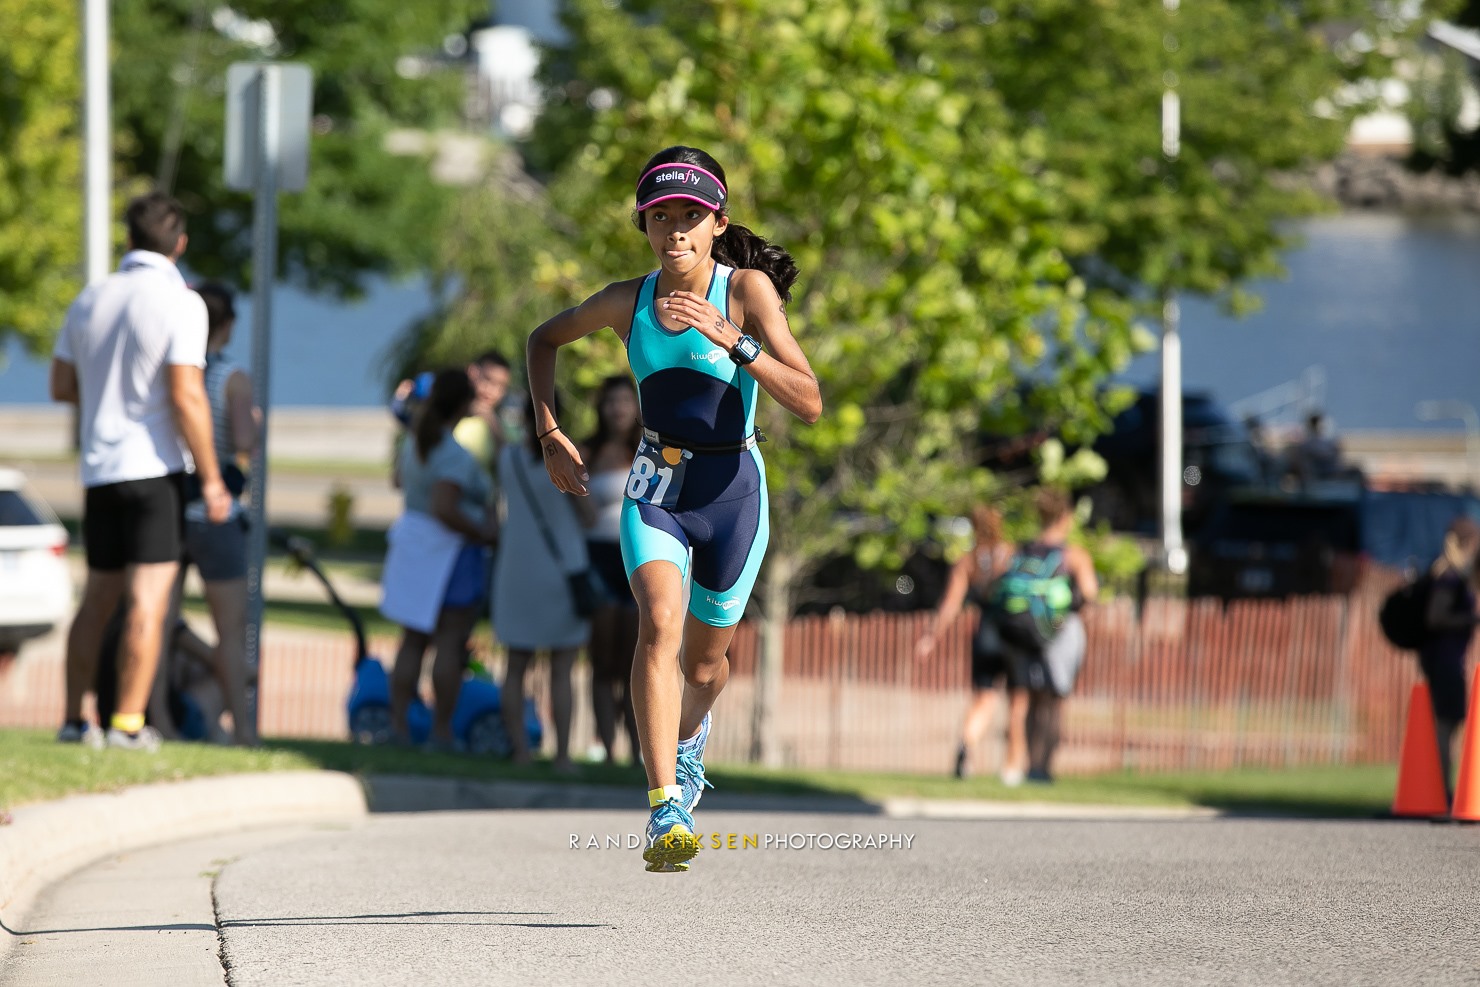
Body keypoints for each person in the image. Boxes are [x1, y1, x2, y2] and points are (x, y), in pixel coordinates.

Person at [528, 145, 822, 872]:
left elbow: (811, 402)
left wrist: (737, 341)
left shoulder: (746, 289)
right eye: (662, 217)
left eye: (691, 215)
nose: (676, 230)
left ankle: (690, 741)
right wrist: (550, 430)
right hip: (657, 482)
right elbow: (543, 339)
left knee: (705, 662)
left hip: (733, 491)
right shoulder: (626, 301)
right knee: (657, 622)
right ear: (645, 225)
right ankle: (665, 804)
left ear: (717, 222)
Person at [49, 191, 231, 752]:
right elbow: (187, 395)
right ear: (180, 243)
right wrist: (212, 478)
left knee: (98, 598)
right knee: (149, 600)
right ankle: (128, 722)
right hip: (153, 471)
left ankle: (76, 720)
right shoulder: (181, 301)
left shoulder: (91, 297)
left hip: (100, 468)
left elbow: (61, 386)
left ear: (128, 238)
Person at [380, 369, 498, 751]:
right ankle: (441, 732)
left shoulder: (415, 440)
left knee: (411, 641)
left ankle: (399, 725)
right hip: (450, 551)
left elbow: (399, 482)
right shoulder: (452, 454)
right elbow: (445, 507)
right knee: (450, 641)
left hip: (413, 544)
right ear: (464, 404)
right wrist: (482, 532)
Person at [176, 281, 258, 745]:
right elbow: (244, 443)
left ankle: (161, 723)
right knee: (230, 628)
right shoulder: (232, 378)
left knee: (162, 614)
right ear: (226, 325)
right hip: (217, 510)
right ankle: (243, 731)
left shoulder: (171, 373)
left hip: (173, 505)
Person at [493, 395, 590, 774]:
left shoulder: (507, 459)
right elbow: (587, 512)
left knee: (515, 667)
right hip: (562, 568)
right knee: (562, 669)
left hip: (516, 570)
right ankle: (563, 756)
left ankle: (520, 751)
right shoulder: (569, 458)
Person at [915, 505, 1028, 784]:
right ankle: (1012, 770)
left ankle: (967, 743)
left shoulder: (968, 561)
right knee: (1018, 701)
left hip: (986, 632)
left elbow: (950, 605)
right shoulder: (1014, 555)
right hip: (1015, 633)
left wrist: (931, 636)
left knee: (984, 698)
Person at [579, 375, 644, 766]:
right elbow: (576, 505)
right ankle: (606, 749)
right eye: (611, 401)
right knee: (603, 659)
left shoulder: (652, 448)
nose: (618, 408)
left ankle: (641, 754)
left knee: (639, 659)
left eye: (625, 400)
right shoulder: (587, 450)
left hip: (640, 558)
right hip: (599, 558)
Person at [1016, 487, 1099, 783]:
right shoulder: (1072, 554)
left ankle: (1030, 765)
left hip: (1028, 629)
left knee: (1034, 698)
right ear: (1065, 517)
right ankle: (1043, 767)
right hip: (1062, 632)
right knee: (1055, 701)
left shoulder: (1024, 550)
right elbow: (1089, 593)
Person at [1418, 516, 1480, 807]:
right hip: (1445, 660)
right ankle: (1441, 792)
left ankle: (1442, 790)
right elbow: (1436, 616)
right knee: (1445, 728)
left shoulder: (1450, 574)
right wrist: (1471, 618)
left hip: (1447, 659)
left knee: (1449, 727)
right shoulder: (1448, 577)